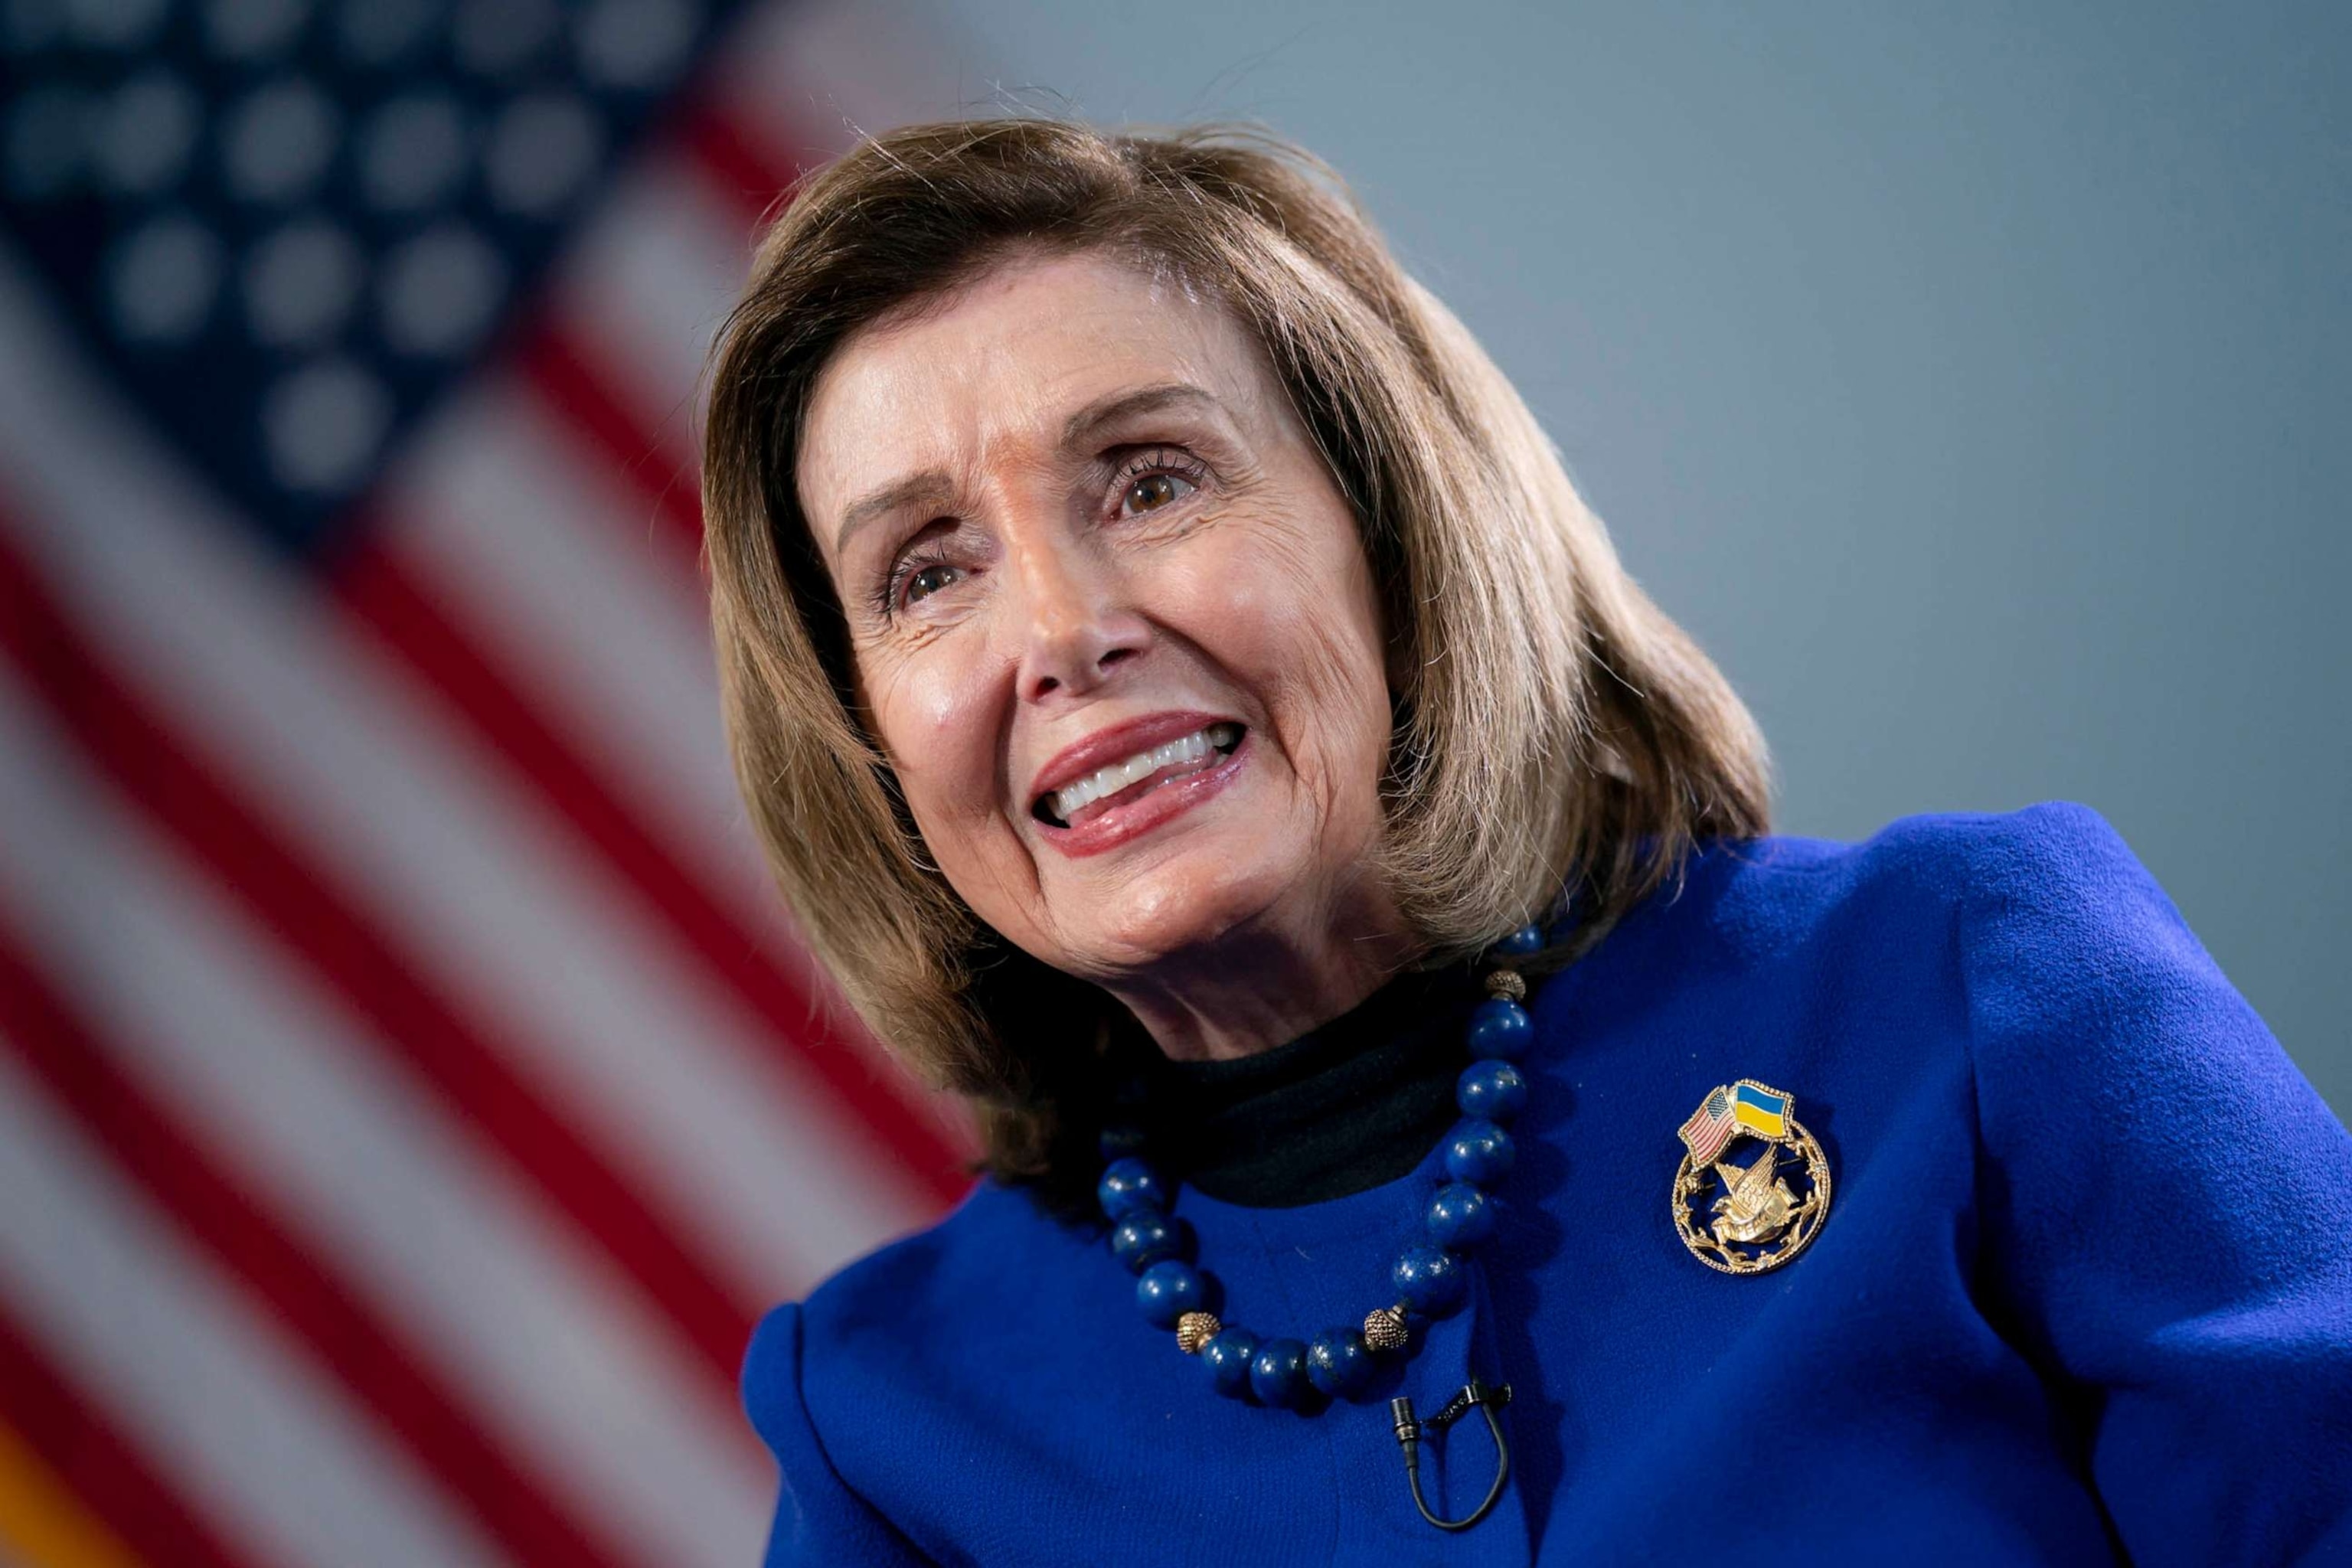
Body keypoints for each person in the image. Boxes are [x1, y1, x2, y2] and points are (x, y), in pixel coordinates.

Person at [697, 116, 2352, 1565]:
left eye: (1152, 482)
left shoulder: (1966, 984)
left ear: (1396, 539)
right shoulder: (890, 1432)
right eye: (927, 572)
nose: (1061, 630)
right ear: (869, 743)